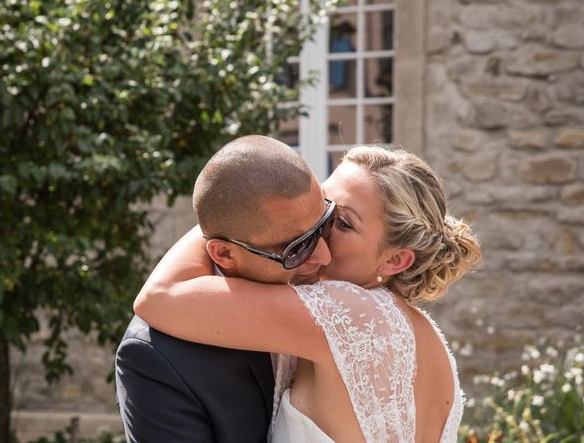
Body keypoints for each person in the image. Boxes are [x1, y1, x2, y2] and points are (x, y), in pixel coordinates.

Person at [135, 145, 482, 442]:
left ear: (396, 259)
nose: (316, 231)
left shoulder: (345, 314)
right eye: (324, 209)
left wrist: (233, 211)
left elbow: (162, 296)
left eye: (342, 223)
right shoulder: (427, 336)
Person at [115, 135, 334, 442]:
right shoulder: (155, 355)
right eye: (297, 247)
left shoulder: (348, 291)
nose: (325, 255)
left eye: (326, 222)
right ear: (224, 254)